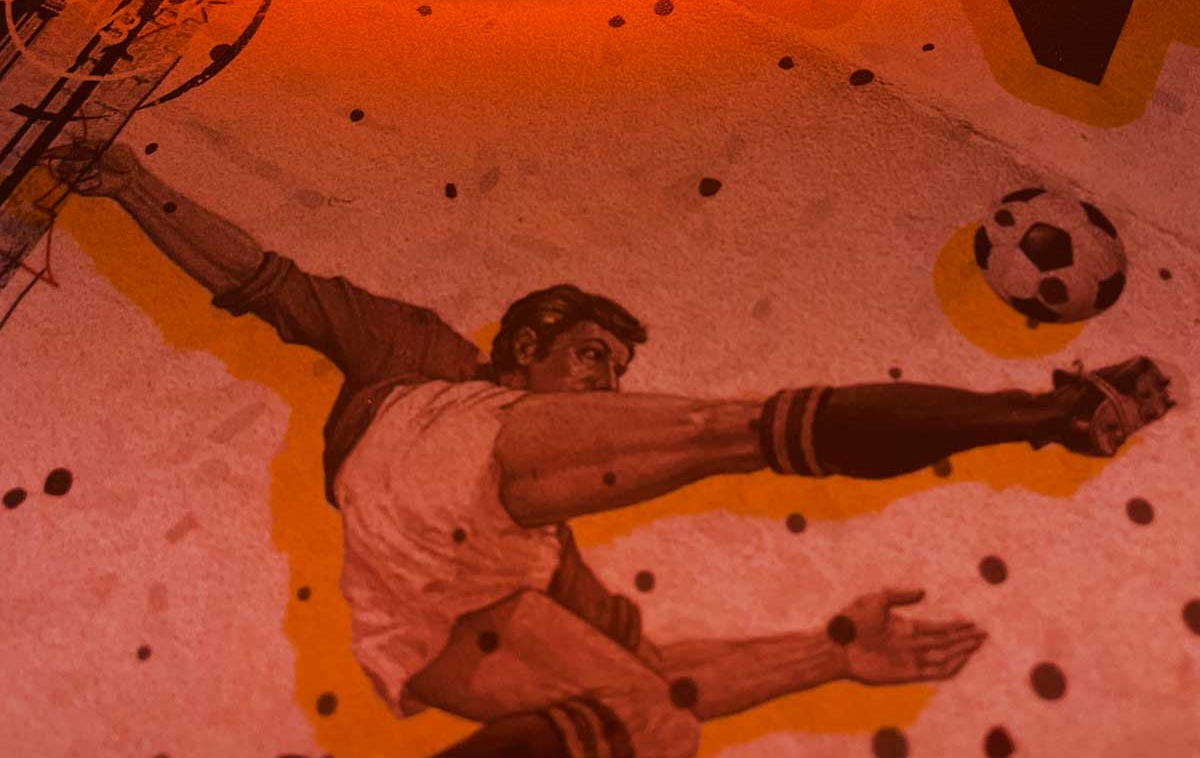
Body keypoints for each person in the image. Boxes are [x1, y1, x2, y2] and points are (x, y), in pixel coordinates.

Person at [47, 141, 1172, 758]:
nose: (605, 381)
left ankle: (1044, 421)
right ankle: (1038, 415)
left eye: (614, 370)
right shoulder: (418, 355)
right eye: (592, 355)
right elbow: (264, 282)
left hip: (433, 624)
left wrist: (831, 651)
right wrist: (137, 186)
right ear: (528, 344)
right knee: (724, 428)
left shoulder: (550, 552)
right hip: (435, 469)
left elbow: (673, 671)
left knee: (655, 719)